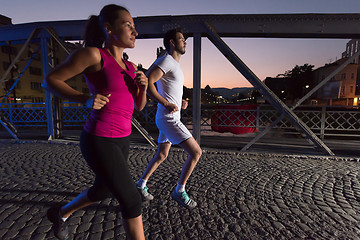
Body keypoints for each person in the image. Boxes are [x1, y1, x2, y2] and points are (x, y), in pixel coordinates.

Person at [45, 4, 147, 240]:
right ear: (109, 28)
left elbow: (138, 106)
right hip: (99, 138)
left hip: (123, 138)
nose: (135, 32)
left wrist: (141, 88)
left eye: (135, 27)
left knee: (102, 189)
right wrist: (84, 99)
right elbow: (51, 79)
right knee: (131, 200)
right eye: (128, 25)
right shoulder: (94, 55)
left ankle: (60, 213)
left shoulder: (131, 67)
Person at [136, 28, 202, 209]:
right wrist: (165, 103)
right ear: (172, 43)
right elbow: (148, 83)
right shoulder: (166, 60)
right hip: (168, 117)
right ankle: (179, 191)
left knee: (162, 155)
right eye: (181, 39)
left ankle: (141, 185)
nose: (185, 42)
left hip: (168, 115)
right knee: (196, 152)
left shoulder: (174, 64)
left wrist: (179, 101)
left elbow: (165, 87)